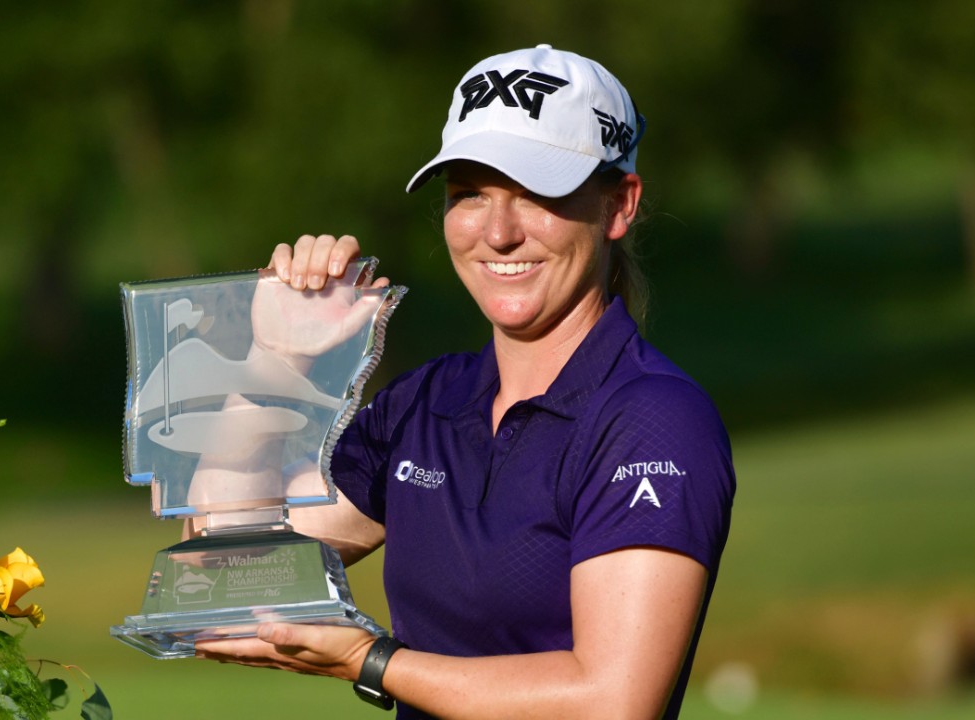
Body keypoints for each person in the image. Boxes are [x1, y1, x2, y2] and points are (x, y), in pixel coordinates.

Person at [194, 45, 735, 719]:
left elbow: (614, 702)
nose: (498, 232)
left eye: (538, 193)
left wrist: (369, 660)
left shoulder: (653, 418)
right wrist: (273, 364)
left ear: (619, 206)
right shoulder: (427, 403)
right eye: (469, 194)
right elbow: (219, 575)